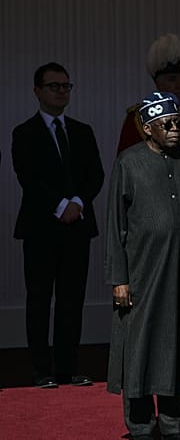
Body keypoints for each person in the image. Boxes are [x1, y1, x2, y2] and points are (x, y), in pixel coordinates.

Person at [117, 32, 180, 379]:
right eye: (172, 78)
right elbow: (128, 174)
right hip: (158, 222)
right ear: (157, 81)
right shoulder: (137, 119)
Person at [105, 92, 180, 440]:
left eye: (177, 122)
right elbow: (116, 225)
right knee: (139, 350)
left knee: (176, 349)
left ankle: (175, 425)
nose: (175, 130)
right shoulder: (129, 163)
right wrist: (119, 279)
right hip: (141, 275)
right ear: (148, 129)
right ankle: (141, 426)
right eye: (166, 124)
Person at [11, 62, 104, 389]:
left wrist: (77, 203)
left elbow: (96, 175)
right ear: (38, 91)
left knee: (71, 299)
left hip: (77, 226)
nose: (62, 91)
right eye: (54, 86)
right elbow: (28, 177)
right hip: (40, 228)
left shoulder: (82, 131)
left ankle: (68, 367)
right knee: (39, 299)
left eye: (66, 86)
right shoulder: (24, 132)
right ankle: (41, 369)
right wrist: (59, 205)